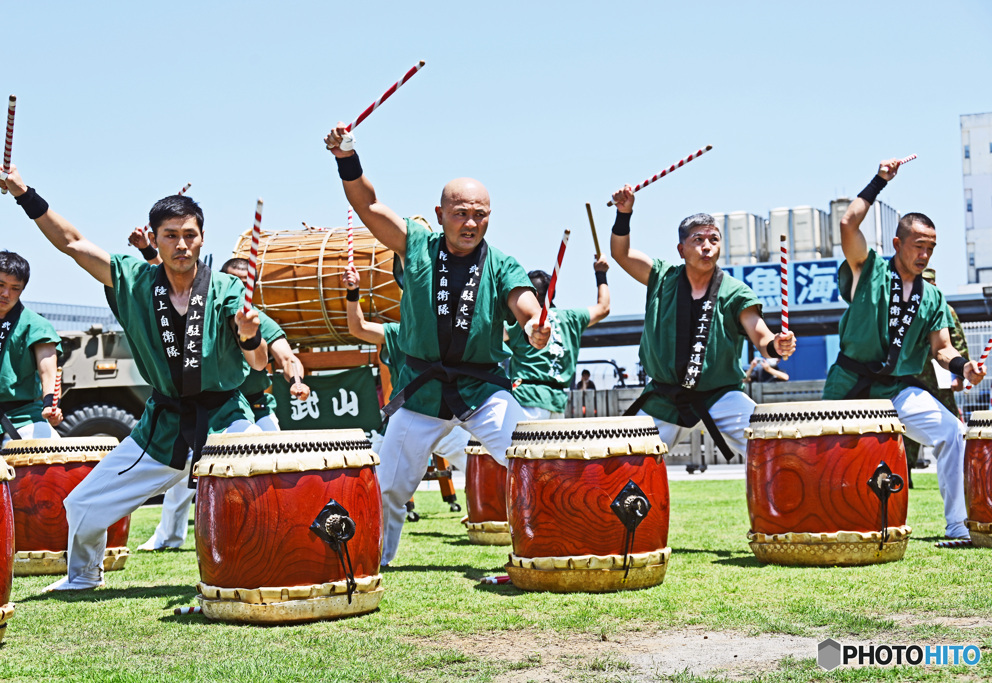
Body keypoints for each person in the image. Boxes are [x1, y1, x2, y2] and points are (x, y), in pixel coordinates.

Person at [0, 162, 268, 590]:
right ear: (154, 239)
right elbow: (72, 243)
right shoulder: (135, 281)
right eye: (170, 235)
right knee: (82, 505)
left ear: (202, 237)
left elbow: (259, 363)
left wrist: (250, 335)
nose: (182, 244)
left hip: (225, 420)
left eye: (190, 234)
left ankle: (263, 572)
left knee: (264, 487)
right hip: (164, 425)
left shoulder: (227, 290)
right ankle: (83, 576)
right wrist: (23, 193)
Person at [324, 123, 549, 565]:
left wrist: (535, 325)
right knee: (388, 487)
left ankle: (548, 548)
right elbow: (368, 205)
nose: (471, 223)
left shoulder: (501, 263)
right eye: (461, 213)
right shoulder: (415, 245)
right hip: (421, 391)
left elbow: (525, 304)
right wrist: (346, 157)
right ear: (440, 213)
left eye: (481, 214)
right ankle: (375, 560)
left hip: (483, 389)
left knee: (533, 459)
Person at [823, 158, 984, 539]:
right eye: (918, 246)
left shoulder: (933, 297)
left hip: (898, 389)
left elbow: (942, 348)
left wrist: (964, 367)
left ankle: (957, 526)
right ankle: (828, 524)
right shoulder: (868, 269)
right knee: (828, 455)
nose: (924, 255)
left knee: (952, 432)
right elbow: (848, 224)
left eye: (930, 248)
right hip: (849, 384)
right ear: (897, 244)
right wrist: (879, 181)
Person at [609, 185, 796, 461]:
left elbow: (761, 335)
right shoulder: (662, 278)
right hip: (664, 398)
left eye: (714, 239)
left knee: (771, 449)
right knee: (625, 461)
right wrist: (624, 214)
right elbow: (621, 254)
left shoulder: (735, 292)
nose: (707, 246)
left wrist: (775, 345)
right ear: (681, 249)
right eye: (698, 239)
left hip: (720, 396)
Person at [138, 257, 310, 551]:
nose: (239, 288)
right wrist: (148, 251)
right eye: (233, 281)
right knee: (187, 470)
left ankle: (276, 531)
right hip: (215, 410)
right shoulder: (204, 318)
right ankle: (168, 536)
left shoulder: (259, 321)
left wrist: (296, 381)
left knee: (277, 462)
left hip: (254, 407)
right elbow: (169, 279)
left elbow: (287, 357)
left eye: (245, 283)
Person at [343, 264, 469, 473]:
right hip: (405, 420)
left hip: (447, 419)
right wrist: (353, 291)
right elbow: (358, 328)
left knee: (481, 467)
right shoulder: (398, 332)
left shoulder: (456, 330)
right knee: (371, 477)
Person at [0, 250, 62, 443]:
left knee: (52, 451)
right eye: (0, 284)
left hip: (22, 417)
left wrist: (50, 404)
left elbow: (48, 371)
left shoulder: (36, 325)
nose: (5, 294)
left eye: (15, 288)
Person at [508, 257, 611, 419]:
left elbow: (488, 333)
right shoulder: (571, 318)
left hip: (527, 399)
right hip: (557, 403)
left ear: (531, 295)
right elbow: (604, 308)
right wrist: (601, 273)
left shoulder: (521, 321)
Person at [902, 267, 969, 485]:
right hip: (912, 379)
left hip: (941, 380)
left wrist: (960, 376)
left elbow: (957, 343)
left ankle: (961, 473)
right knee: (908, 430)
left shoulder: (945, 310)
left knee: (952, 424)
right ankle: (905, 475)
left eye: (929, 283)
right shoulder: (906, 309)